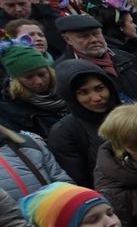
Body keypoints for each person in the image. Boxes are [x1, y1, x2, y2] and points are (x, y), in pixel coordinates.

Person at [46, 60, 121, 188]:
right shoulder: (65, 132)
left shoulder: (127, 114)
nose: (96, 98)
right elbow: (80, 181)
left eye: (100, 88)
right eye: (83, 92)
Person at [54, 14, 137, 103]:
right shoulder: (63, 72)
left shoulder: (126, 57)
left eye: (96, 34)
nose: (94, 40)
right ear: (67, 39)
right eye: (84, 36)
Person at [0, 44, 68, 138]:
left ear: (50, 72)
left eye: (42, 74)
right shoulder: (10, 109)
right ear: (17, 81)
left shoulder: (68, 91)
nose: (39, 82)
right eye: (29, 77)